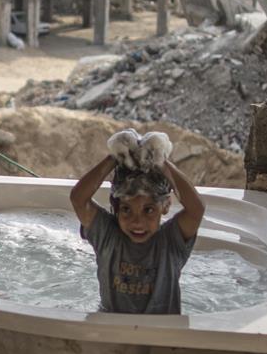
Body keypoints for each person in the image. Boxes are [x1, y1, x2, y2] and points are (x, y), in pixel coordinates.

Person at [68, 129, 204, 315]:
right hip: (115, 331)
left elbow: (197, 209)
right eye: (126, 210)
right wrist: (115, 157)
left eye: (148, 210)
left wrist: (161, 162)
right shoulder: (108, 236)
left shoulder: (170, 242)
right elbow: (78, 199)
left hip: (162, 336)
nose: (137, 222)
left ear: (165, 206)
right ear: (115, 207)